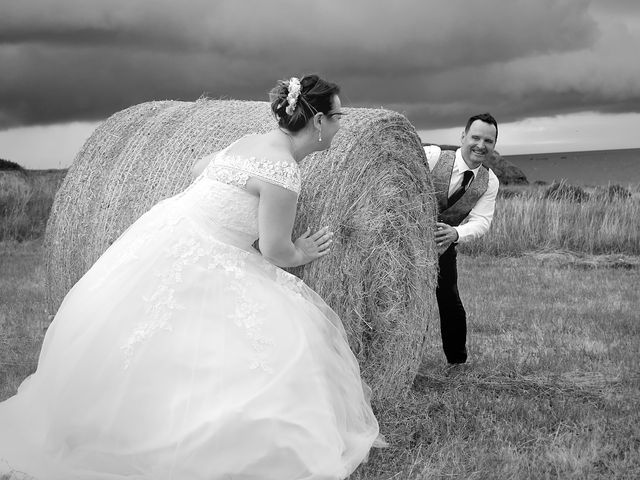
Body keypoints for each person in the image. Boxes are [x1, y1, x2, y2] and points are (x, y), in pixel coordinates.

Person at [0, 74, 382, 479]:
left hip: (170, 230)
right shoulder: (284, 172)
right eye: (339, 116)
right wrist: (302, 250)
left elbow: (200, 166)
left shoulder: (249, 142)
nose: (342, 124)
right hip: (210, 251)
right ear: (318, 122)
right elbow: (274, 249)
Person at [424, 113, 500, 367]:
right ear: (463, 137)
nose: (481, 145)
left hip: (443, 245)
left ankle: (457, 363)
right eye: (475, 137)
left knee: (450, 302)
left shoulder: (489, 182)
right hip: (403, 240)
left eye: (488, 141)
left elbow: (481, 221)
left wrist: (457, 233)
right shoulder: (434, 156)